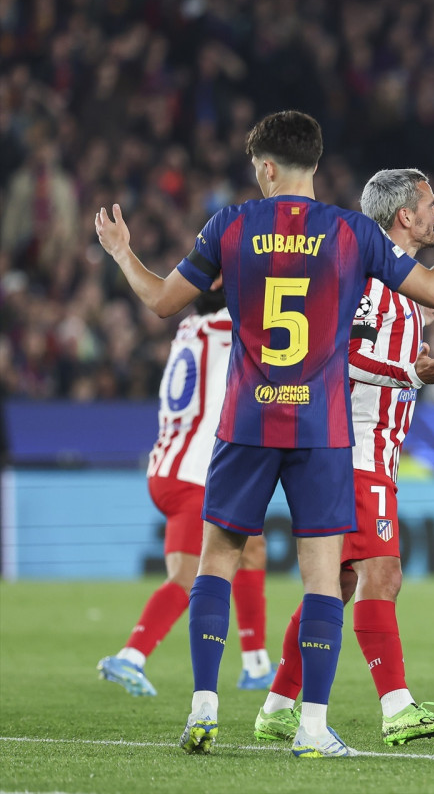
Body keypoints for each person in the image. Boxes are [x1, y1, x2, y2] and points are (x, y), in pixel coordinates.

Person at [95, 109, 434, 758]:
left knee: (217, 564)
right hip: (321, 427)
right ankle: (313, 728)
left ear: (264, 167)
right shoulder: (349, 231)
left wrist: (123, 253)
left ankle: (203, 707)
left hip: (247, 421)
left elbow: (160, 302)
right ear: (313, 164)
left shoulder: (230, 224)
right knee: (323, 579)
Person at [254, 168, 434, 746]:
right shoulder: (372, 283)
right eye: (430, 206)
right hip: (355, 450)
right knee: (383, 574)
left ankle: (277, 705)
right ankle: (399, 708)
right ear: (403, 216)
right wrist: (410, 369)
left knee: (342, 580)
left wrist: (412, 354)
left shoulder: (393, 289)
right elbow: (339, 355)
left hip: (368, 449)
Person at [98, 281, 276, 698]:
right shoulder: (231, 325)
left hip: (166, 467)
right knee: (188, 576)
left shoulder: (188, 329)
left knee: (252, 547)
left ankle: (255, 663)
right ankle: (132, 655)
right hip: (197, 473)